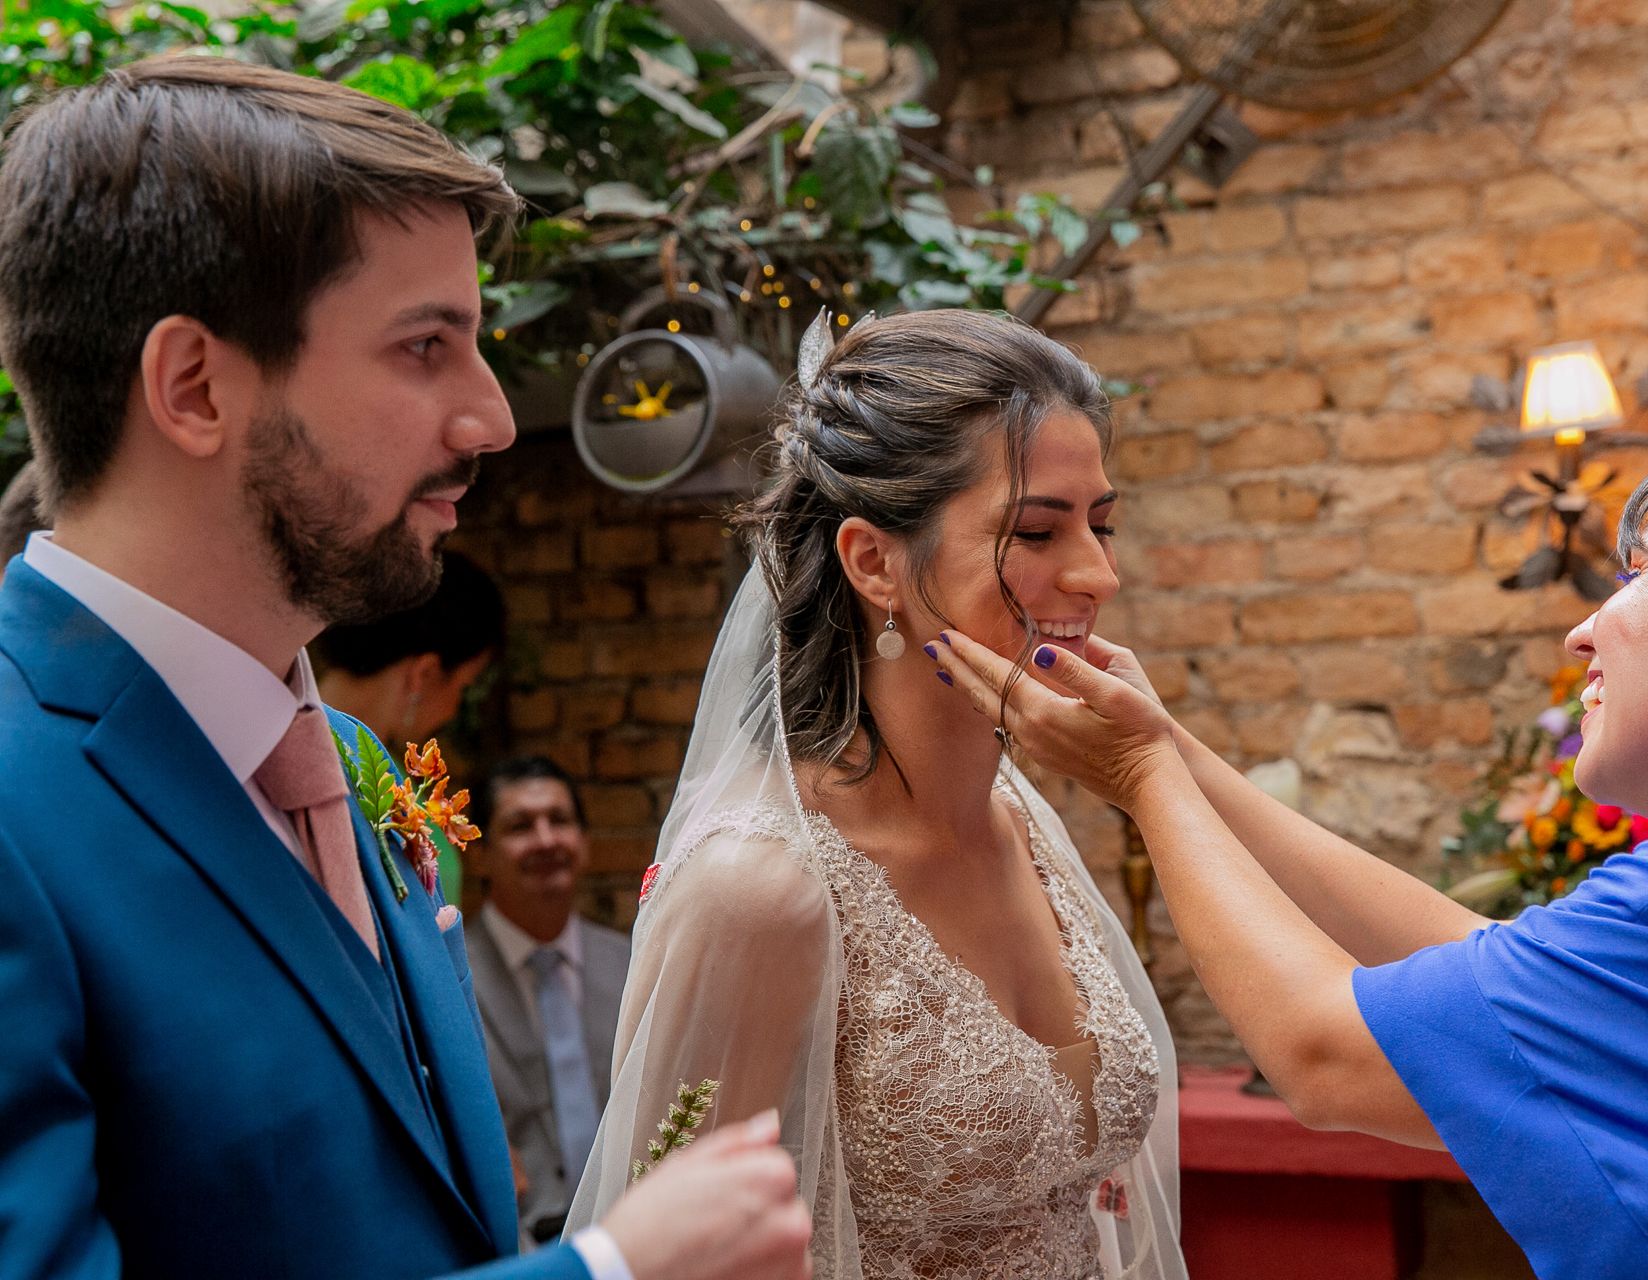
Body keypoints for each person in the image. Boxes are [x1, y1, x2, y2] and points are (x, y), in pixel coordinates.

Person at [0, 57, 808, 1280]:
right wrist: (607, 1272)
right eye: (426, 344)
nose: (488, 417)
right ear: (194, 386)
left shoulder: (360, 771)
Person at [930, 384, 1648, 1278]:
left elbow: (1322, 1050)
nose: (1584, 630)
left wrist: (1143, 779)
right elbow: (1486, 969)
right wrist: (1177, 751)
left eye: (1637, 575)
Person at [568, 309, 1186, 1279]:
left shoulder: (1025, 820)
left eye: (1101, 522)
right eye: (1035, 529)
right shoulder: (760, 891)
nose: (1096, 572)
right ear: (872, 560)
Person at [467, 756, 632, 1243]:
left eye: (559, 821)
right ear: (480, 853)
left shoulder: (634, 962)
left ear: (583, 841)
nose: (545, 841)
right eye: (520, 826)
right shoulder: (448, 976)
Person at [317, 548, 509, 905]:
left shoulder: (370, 763)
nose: (454, 710)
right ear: (426, 673)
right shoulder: (331, 767)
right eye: (463, 688)